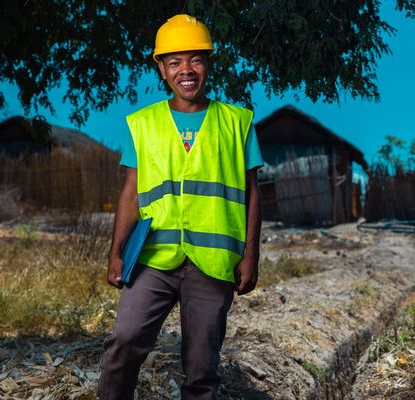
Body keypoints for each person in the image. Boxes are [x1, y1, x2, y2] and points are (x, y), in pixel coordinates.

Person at [97, 14, 263, 400]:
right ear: (161, 69)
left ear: (210, 63)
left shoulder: (238, 122)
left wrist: (251, 254)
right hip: (153, 258)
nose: (186, 70)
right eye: (174, 62)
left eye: (196, 59)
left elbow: (253, 192)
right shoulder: (143, 123)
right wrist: (116, 253)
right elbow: (130, 193)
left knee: (202, 366)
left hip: (213, 261)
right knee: (125, 340)